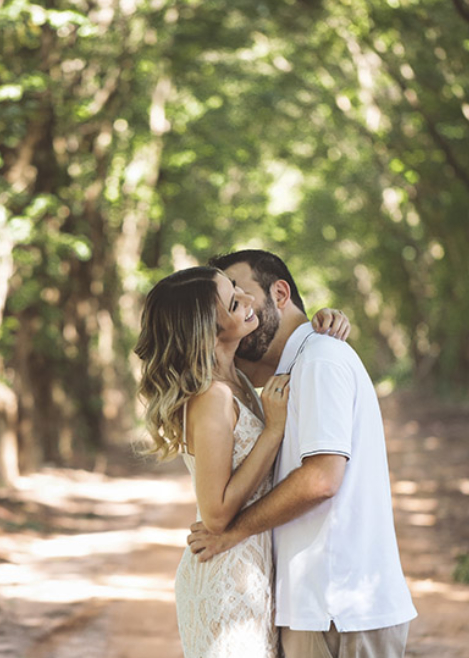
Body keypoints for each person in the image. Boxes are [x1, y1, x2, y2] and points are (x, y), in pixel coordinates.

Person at [188, 250, 417, 658]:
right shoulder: (289, 370)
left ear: (279, 293)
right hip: (316, 607)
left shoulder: (319, 360)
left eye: (242, 296)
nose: (239, 312)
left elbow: (321, 479)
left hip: (336, 607)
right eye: (228, 304)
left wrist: (234, 530)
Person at [134, 265, 350, 658]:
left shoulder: (239, 379)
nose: (250, 299)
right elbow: (215, 515)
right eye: (235, 302)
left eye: (236, 288)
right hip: (226, 574)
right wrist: (272, 432)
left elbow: (292, 348)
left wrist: (324, 321)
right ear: (209, 331)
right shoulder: (211, 397)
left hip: (253, 569)